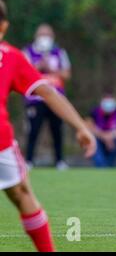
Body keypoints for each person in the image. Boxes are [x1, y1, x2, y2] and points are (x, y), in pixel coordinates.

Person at [0, 0, 96, 252]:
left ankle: (57, 160)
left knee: (21, 191)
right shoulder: (11, 56)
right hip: (1, 142)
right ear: (5, 26)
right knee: (21, 193)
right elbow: (49, 92)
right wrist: (81, 127)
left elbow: (55, 85)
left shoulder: (18, 56)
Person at [22, 24, 72, 170]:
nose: (45, 38)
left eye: (47, 34)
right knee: (33, 131)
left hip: (56, 99)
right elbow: (22, 73)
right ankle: (29, 161)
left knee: (57, 130)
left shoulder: (59, 53)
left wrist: (52, 69)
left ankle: (59, 161)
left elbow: (67, 74)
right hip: (35, 99)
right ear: (36, 37)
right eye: (42, 34)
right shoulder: (27, 52)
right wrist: (38, 67)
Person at [85, 93, 116, 167]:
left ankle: (109, 165)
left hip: (114, 140)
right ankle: (101, 166)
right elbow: (87, 127)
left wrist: (111, 136)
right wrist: (104, 136)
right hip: (98, 139)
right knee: (91, 139)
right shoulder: (94, 112)